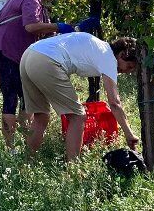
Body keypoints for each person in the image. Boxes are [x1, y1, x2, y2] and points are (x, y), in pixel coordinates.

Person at [20, 33, 140, 161]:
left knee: (41, 116)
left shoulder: (98, 46)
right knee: (78, 116)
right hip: (46, 61)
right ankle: (73, 169)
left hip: (29, 54)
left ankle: (27, 162)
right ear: (122, 55)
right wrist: (129, 133)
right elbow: (115, 103)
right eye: (129, 66)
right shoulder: (109, 58)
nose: (126, 72)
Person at [0, 0, 60, 149]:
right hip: (6, 51)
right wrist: (60, 26)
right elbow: (31, 27)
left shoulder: (33, 0)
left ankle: (22, 140)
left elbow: (43, 32)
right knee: (11, 96)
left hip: (6, 50)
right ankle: (10, 147)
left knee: (26, 95)